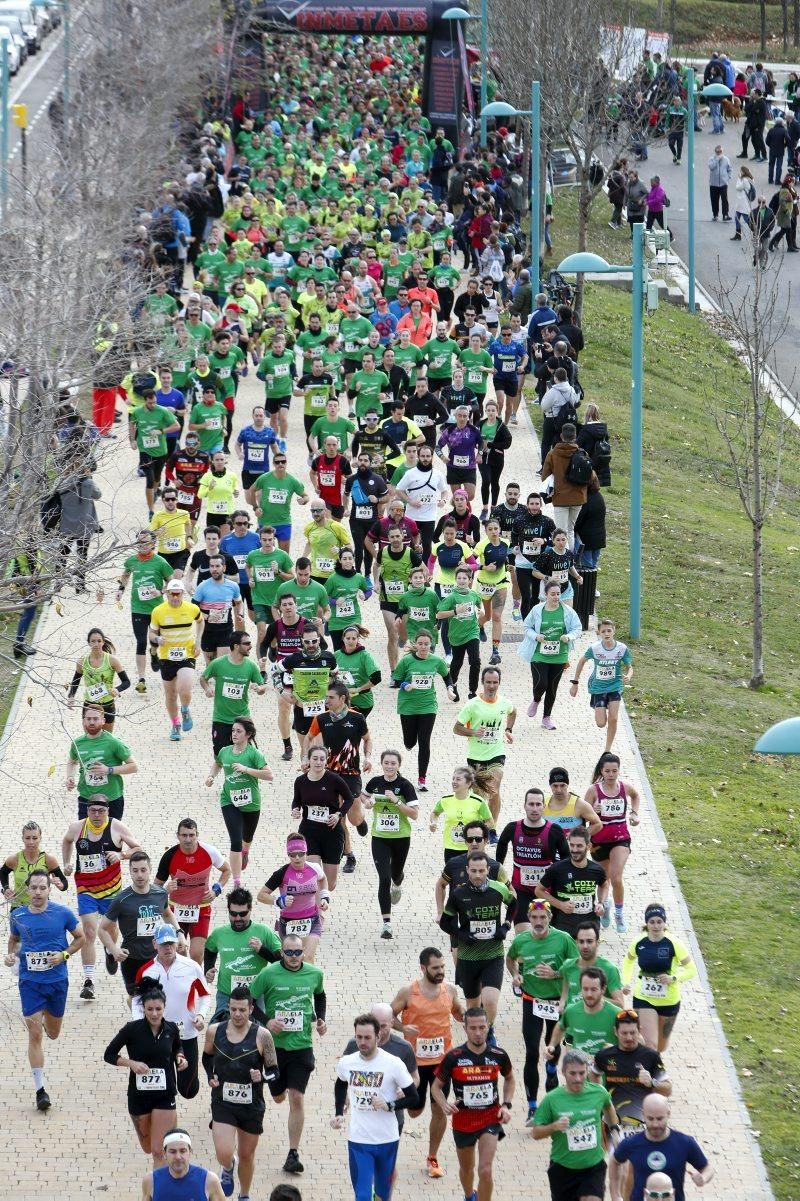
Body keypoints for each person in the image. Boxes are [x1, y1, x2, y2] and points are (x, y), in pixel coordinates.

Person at [5, 869, 84, 1110]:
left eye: (43, 888)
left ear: (50, 889)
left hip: (57, 982)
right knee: (34, 1033)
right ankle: (40, 1090)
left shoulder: (62, 913)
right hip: (30, 983)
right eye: (34, 888)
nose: (38, 892)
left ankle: (46, 1021)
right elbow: (14, 941)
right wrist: (11, 957)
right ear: (27, 890)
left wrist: (64, 955)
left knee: (53, 1032)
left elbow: (80, 938)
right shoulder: (18, 915)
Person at [249, 934, 327, 1175]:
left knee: (296, 1098)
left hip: (301, 1046)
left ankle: (293, 1153)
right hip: (274, 1048)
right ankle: (276, 1088)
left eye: (298, 952)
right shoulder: (268, 974)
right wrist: (267, 1021)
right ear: (281, 953)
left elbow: (320, 995)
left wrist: (321, 1018)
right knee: (278, 1096)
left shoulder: (314, 974)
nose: (294, 957)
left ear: (303, 952)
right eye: (289, 953)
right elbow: (250, 1001)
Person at [390, 947, 465, 1179]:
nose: (441, 971)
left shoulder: (450, 991)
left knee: (440, 1108)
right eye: (435, 968)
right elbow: (387, 1016)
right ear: (423, 968)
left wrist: (469, 1016)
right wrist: (402, 1027)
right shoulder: (408, 993)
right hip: (415, 1063)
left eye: (442, 967)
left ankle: (433, 1157)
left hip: (442, 1062)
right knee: (415, 1111)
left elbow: (460, 1013)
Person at [332, 1013, 419, 1201]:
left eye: (367, 1038)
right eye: (359, 1037)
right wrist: (339, 1111)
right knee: (362, 1195)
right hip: (359, 1140)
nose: (362, 1042)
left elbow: (414, 1097)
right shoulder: (347, 1062)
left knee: (382, 1195)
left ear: (378, 1037)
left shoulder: (393, 1064)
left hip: (387, 1139)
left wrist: (390, 1105)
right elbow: (340, 1083)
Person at [61, 795, 141, 1000]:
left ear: (108, 811)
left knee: (110, 929)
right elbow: (67, 841)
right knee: (88, 931)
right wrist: (67, 862)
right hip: (86, 888)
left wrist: (122, 855)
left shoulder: (117, 827)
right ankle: (88, 981)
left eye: (101, 811)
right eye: (93, 811)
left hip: (111, 890)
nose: (97, 815)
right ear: (87, 811)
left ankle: (109, 950)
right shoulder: (77, 828)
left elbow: (138, 849)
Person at [432, 1006, 514, 1201]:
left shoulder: (498, 1054)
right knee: (467, 1169)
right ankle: (469, 1195)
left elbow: (510, 1078)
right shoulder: (454, 1057)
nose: (478, 1033)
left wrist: (506, 1105)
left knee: (485, 1170)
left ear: (488, 1027)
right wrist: (444, 1104)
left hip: (490, 1118)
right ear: (465, 1029)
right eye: (473, 1028)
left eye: (482, 1027)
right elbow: (436, 1087)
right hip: (463, 1121)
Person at [506, 899, 577, 1123]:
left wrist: (556, 975)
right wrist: (515, 975)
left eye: (543, 918)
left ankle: (552, 1076)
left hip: (557, 1002)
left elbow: (576, 968)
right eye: (534, 918)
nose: (538, 922)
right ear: (529, 918)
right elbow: (510, 960)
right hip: (531, 1001)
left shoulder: (563, 939)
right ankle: (533, 1107)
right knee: (531, 1053)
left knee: (552, 1049)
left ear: (549, 918)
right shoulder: (522, 940)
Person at [204, 986, 279, 1199]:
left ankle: (244, 1194)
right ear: (228, 1008)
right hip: (222, 1101)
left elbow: (275, 1071)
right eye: (233, 1009)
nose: (237, 1014)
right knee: (223, 1152)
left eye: (242, 1010)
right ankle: (228, 1166)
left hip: (251, 1105)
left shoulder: (263, 1036)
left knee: (247, 1155)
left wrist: (262, 1077)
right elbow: (206, 1057)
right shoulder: (214, 1031)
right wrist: (211, 1075)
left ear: (251, 1010)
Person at [103, 979, 186, 1166]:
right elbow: (108, 1054)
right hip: (139, 1096)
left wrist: (181, 1058)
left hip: (165, 1094)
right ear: (143, 1009)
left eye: (158, 1009)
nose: (155, 1013)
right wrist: (130, 1063)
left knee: (158, 1151)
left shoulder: (171, 1029)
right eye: (150, 1009)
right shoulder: (131, 1030)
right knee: (148, 1147)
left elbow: (177, 1048)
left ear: (164, 1007)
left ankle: (160, 1192)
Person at [132, 924, 211, 1100]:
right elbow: (137, 1003)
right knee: (164, 1086)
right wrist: (139, 1026)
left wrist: (200, 1015)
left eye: (171, 943)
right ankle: (167, 1112)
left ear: (177, 943)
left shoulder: (192, 967)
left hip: (187, 1034)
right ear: (154, 944)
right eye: (163, 944)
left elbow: (205, 995)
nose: (167, 948)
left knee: (188, 1090)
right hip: (159, 1036)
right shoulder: (146, 971)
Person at [532, 1048, 621, 1201]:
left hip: (593, 1166)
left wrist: (614, 1130)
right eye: (572, 1073)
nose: (578, 1078)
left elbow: (608, 1106)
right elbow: (536, 1132)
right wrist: (553, 1126)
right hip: (563, 1168)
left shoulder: (598, 1092)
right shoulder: (552, 1099)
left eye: (582, 1073)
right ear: (563, 1072)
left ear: (587, 1071)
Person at [443, 851, 513, 1032]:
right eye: (473, 871)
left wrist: (505, 926)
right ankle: (474, 1038)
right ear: (467, 870)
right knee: (473, 1005)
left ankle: (488, 1031)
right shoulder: (459, 893)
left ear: (488, 870)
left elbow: (514, 904)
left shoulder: (498, 889)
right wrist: (461, 935)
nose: (477, 875)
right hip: (468, 957)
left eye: (481, 871)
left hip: (493, 954)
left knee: (489, 1000)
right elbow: (445, 921)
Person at [99, 850, 178, 1001]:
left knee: (156, 999)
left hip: (156, 957)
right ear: (130, 871)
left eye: (143, 870)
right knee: (135, 1000)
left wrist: (179, 932)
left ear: (150, 870)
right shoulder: (122, 899)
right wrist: (114, 949)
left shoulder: (160, 893)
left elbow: (167, 913)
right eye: (135, 871)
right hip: (131, 958)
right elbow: (102, 929)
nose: (139, 875)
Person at [206, 717, 273, 886]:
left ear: (248, 734)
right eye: (233, 730)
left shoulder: (254, 754)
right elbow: (218, 763)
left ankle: (245, 851)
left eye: (239, 731)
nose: (234, 734)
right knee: (235, 840)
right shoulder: (225, 751)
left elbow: (269, 775)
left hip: (251, 803)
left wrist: (247, 770)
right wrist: (211, 776)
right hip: (229, 800)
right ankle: (236, 881)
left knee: (246, 838)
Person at [620, 903, 697, 1051]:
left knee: (660, 1048)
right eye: (652, 922)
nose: (656, 926)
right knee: (649, 1044)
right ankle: (647, 1072)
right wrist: (626, 982)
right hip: (643, 998)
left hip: (669, 1000)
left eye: (659, 922)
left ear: (664, 922)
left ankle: (654, 1067)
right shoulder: (639, 942)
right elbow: (628, 961)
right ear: (646, 923)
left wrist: (673, 978)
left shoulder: (674, 943)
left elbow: (691, 970)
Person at [609, 1095, 714, 1201]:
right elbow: (614, 1161)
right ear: (643, 1115)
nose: (655, 1124)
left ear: (668, 1114)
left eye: (659, 1119)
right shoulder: (632, 1143)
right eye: (650, 1119)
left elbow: (707, 1168)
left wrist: (703, 1179)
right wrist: (615, 1195)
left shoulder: (684, 1142)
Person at [155, 819, 231, 963]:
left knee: (196, 954)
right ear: (177, 836)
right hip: (175, 911)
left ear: (197, 835)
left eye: (191, 835)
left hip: (201, 909)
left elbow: (227, 870)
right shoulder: (169, 856)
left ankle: (194, 983)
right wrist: (166, 890)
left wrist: (216, 890)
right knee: (179, 951)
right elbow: (155, 888)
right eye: (184, 835)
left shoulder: (209, 851)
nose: (188, 839)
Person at [361, 749, 419, 937]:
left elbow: (415, 814)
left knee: (395, 874)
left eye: (393, 763)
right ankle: (387, 923)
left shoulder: (405, 785)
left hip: (401, 838)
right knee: (384, 878)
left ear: (398, 766)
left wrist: (396, 802)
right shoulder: (375, 782)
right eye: (386, 763)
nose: (389, 766)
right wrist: (367, 802)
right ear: (382, 764)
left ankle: (398, 881)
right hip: (380, 838)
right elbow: (363, 795)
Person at [204, 887, 281, 1022]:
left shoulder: (263, 931)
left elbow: (281, 962)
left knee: (258, 1034)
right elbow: (210, 949)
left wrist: (262, 950)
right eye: (233, 914)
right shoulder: (219, 933)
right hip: (227, 994)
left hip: (256, 995)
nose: (238, 918)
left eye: (243, 913)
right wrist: (208, 968)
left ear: (250, 910)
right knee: (220, 1032)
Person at [592, 1008, 671, 1138]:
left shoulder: (650, 1056)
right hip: (613, 1125)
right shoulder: (604, 1055)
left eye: (633, 1033)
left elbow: (668, 1089)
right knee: (614, 1158)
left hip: (643, 1126)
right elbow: (594, 1073)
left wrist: (652, 1082)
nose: (629, 1037)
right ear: (615, 1032)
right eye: (624, 1033)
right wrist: (599, 1094)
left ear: (639, 1030)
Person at [584, 752, 641, 932]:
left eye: (614, 771)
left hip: (620, 838)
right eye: (607, 771)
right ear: (602, 771)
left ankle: (619, 913)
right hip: (599, 839)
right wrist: (593, 809)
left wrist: (634, 813)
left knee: (616, 877)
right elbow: (583, 815)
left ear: (618, 771)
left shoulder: (624, 788)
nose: (611, 774)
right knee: (604, 880)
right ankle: (605, 907)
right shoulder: (593, 790)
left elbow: (636, 795)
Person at [392, 629, 456, 790]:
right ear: (415, 644)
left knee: (424, 741)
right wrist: (405, 685)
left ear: (431, 644)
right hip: (408, 706)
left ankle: (422, 778)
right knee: (410, 741)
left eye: (426, 644)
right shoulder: (406, 661)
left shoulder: (436, 661)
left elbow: (446, 675)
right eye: (420, 644)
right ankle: (408, 743)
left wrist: (449, 688)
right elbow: (397, 678)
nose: (423, 647)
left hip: (428, 705)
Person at [453, 665, 515, 827]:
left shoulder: (504, 703)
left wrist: (508, 730)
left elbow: (513, 712)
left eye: (495, 682)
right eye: (488, 682)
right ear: (482, 683)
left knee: (493, 790)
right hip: (476, 756)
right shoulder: (472, 705)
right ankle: (482, 825)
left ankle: (492, 828)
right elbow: (456, 728)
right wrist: (473, 732)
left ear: (499, 683)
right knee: (479, 796)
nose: (492, 686)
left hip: (497, 753)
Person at [495, 789, 569, 924]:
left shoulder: (554, 830)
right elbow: (501, 845)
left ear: (544, 806)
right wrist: (499, 875)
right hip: (521, 891)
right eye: (531, 804)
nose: (534, 809)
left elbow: (566, 859)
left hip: (546, 892)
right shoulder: (512, 828)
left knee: (543, 933)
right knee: (524, 935)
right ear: (524, 806)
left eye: (538, 804)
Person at [518, 577, 582, 731]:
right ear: (546, 594)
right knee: (541, 683)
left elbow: (577, 628)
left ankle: (546, 717)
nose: (556, 597)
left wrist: (569, 637)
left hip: (559, 654)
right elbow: (526, 627)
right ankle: (536, 699)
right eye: (553, 594)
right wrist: (536, 636)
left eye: (558, 594)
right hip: (538, 653)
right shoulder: (537, 610)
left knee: (552, 687)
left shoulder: (567, 611)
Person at [116, 529, 174, 691]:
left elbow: (172, 583)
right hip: (138, 607)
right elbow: (126, 574)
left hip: (156, 609)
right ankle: (141, 679)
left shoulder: (161, 562)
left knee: (155, 640)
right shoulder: (132, 561)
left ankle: (154, 653)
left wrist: (160, 591)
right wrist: (121, 589)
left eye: (146, 542)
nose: (142, 545)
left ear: (153, 544)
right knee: (141, 642)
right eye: (139, 542)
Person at [292, 745, 355, 891]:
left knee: (330, 885)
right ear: (309, 760)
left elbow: (349, 799)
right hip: (309, 831)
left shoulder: (334, 779)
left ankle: (322, 901)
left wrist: (338, 814)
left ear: (326, 761)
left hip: (332, 833)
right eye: (315, 759)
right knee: (313, 877)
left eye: (322, 759)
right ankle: (317, 911)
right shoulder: (300, 781)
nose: (318, 762)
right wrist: (295, 809)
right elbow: (296, 800)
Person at [148, 578, 203, 741]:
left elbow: (201, 622)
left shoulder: (192, 608)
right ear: (167, 594)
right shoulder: (158, 611)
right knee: (170, 695)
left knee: (184, 688)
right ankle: (175, 724)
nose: (175, 598)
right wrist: (157, 640)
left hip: (187, 654)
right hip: (166, 657)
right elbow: (151, 633)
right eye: (172, 594)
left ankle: (185, 710)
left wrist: (198, 641)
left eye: (178, 594)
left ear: (183, 594)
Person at [66, 700, 138, 820]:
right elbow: (72, 761)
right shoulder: (77, 743)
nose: (91, 722)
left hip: (111, 799)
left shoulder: (113, 742)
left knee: (112, 837)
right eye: (88, 719)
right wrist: (70, 777)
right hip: (86, 797)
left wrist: (108, 770)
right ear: (83, 721)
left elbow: (133, 766)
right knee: (84, 836)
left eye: (95, 719)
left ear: (103, 721)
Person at [200, 630, 266, 755]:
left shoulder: (251, 666)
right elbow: (203, 678)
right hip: (221, 719)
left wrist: (260, 689)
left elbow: (262, 686)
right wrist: (207, 689)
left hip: (242, 719)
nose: (250, 646)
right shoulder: (218, 663)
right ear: (236, 646)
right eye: (247, 643)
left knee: (244, 755)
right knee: (221, 756)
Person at [535, 826, 608, 938]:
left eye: (579, 846)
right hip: (563, 928)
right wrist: (561, 905)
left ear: (588, 846)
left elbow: (604, 885)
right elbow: (539, 891)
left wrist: (601, 903)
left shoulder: (597, 869)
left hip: (590, 927)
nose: (574, 850)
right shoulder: (557, 869)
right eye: (572, 845)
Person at [540, 424, 597, 550]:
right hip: (578, 497)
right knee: (570, 531)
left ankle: (564, 560)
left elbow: (544, 477)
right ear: (575, 436)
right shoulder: (582, 453)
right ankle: (569, 559)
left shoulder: (552, 454)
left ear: (561, 436)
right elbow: (592, 476)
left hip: (560, 498)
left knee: (561, 532)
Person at [67, 628, 130, 731]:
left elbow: (127, 682)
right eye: (93, 641)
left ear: (103, 642)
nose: (96, 644)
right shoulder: (82, 662)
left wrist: (117, 689)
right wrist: (71, 696)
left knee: (107, 738)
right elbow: (75, 681)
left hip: (107, 705)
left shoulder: (112, 660)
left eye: (99, 641)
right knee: (90, 738)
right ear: (88, 643)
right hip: (89, 705)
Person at [436, 565, 482, 701]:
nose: (462, 580)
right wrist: (455, 612)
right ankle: (453, 685)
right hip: (456, 635)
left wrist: (482, 610)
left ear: (470, 580)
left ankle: (472, 691)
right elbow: (439, 614)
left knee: (475, 661)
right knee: (457, 663)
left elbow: (479, 604)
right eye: (459, 578)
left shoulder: (473, 594)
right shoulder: (451, 597)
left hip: (472, 632)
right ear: (455, 579)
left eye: (465, 578)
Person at [142, 1129, 225, 1201]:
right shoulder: (150, 1181)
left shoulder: (209, 1181)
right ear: (164, 1153)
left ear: (190, 1152)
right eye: (172, 1151)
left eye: (182, 1151)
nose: (178, 1157)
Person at [1, 821, 68, 910]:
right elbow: (3, 872)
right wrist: (6, 888)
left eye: (35, 838)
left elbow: (64, 883)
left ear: (40, 838)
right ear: (22, 838)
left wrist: (60, 885)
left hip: (42, 908)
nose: (31, 842)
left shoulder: (48, 860)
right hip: (19, 907)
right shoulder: (14, 859)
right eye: (27, 838)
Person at [252, 451, 309, 551]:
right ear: (273, 464)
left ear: (286, 463)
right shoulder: (265, 478)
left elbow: (306, 496)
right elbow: (251, 490)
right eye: (277, 462)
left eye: (283, 461)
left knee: (284, 555)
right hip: (266, 521)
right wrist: (255, 507)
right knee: (265, 554)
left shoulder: (292, 480)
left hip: (284, 522)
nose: (280, 464)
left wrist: (303, 500)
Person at [559, 921, 625, 1008]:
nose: (585, 946)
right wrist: (562, 1002)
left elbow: (620, 1005)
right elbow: (565, 987)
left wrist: (596, 997)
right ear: (576, 943)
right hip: (574, 1020)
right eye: (581, 942)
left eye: (589, 941)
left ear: (597, 943)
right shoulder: (568, 965)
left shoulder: (609, 969)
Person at [543, 767, 603, 836]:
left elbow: (598, 824)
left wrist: (579, 837)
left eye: (562, 785)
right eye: (555, 786)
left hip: (572, 847)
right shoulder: (542, 804)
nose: (559, 790)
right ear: (550, 785)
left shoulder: (580, 804)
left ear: (567, 785)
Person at [731, 164, 757, 240]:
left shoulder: (745, 180)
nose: (740, 172)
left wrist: (739, 179)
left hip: (743, 203)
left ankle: (755, 232)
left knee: (746, 219)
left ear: (743, 172)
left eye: (741, 171)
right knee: (737, 218)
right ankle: (738, 234)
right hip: (741, 203)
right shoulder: (747, 179)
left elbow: (738, 187)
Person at [707, 146, 732, 221]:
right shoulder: (712, 159)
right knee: (714, 199)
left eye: (720, 152)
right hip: (713, 183)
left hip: (723, 183)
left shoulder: (726, 159)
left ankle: (725, 215)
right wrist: (717, 160)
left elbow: (730, 169)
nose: (719, 153)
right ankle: (715, 215)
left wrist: (728, 178)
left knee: (724, 200)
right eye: (718, 152)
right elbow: (711, 167)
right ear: (715, 152)